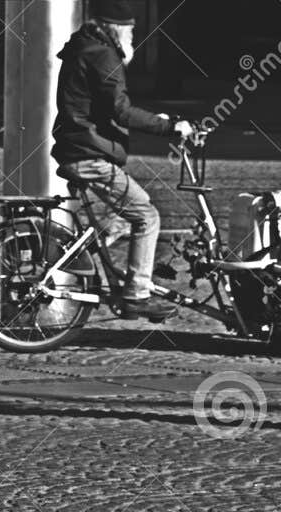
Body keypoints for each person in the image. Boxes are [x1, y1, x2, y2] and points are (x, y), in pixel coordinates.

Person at [52, 0, 192, 321]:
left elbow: (104, 105)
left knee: (127, 213)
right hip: (88, 155)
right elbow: (120, 110)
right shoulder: (104, 55)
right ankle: (137, 294)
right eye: (131, 30)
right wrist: (168, 127)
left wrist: (155, 118)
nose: (134, 36)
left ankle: (82, 253)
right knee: (147, 215)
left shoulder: (86, 48)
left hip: (78, 147)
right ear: (118, 29)